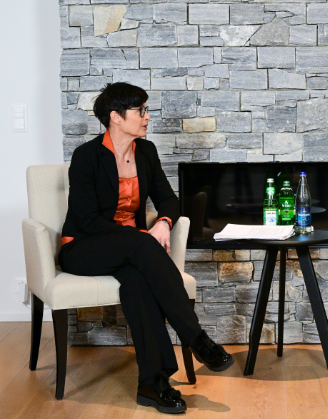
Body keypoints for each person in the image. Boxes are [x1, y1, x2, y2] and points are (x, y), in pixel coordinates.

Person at [58, 82, 234, 414]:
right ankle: (196, 337)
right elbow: (87, 220)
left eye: (146, 109)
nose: (147, 116)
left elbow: (168, 200)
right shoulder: (86, 157)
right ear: (116, 117)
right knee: (141, 244)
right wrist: (140, 237)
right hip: (84, 247)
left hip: (132, 250)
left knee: (137, 283)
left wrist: (164, 222)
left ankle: (153, 383)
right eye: (140, 110)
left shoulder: (146, 152)